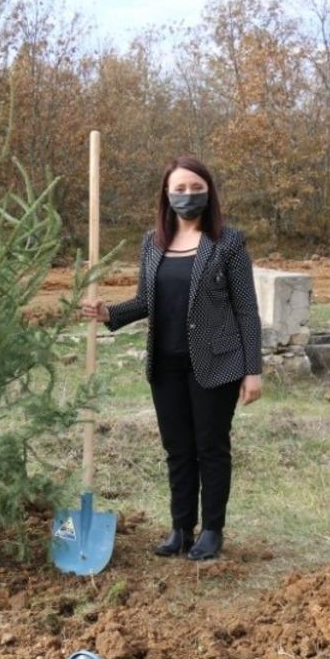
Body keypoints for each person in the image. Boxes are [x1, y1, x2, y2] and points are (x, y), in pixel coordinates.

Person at [82, 156, 262, 560]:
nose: (187, 196)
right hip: (165, 365)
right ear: (166, 194)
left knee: (211, 448)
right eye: (179, 189)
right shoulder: (153, 242)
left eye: (195, 188)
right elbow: (147, 301)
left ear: (209, 192)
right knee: (177, 449)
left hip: (215, 364)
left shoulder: (228, 242)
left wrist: (252, 370)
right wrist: (109, 313)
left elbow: (247, 309)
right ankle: (181, 528)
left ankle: (212, 530)